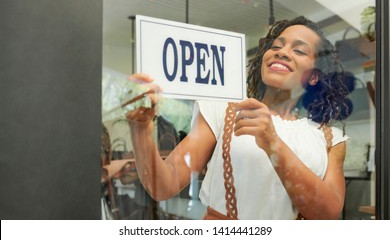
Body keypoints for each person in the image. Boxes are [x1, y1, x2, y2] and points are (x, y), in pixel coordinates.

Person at [125, 16, 352, 220]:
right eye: (276, 46)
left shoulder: (330, 139)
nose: (282, 52)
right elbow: (164, 185)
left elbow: (328, 214)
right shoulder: (223, 110)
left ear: (313, 77)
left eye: (299, 51)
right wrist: (141, 128)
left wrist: (273, 143)